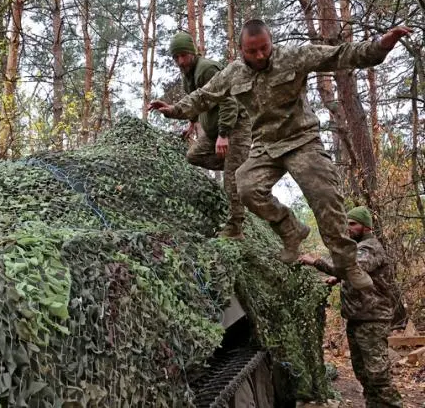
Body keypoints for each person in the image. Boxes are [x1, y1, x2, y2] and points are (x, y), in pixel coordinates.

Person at [148, 18, 412, 290]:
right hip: (265, 144)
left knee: (325, 197)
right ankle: (291, 230)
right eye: (252, 51)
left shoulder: (294, 56)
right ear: (241, 50)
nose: (260, 55)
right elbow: (204, 96)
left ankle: (347, 264)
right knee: (245, 186)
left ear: (271, 42)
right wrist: (174, 110)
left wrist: (381, 46)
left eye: (265, 48)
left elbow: (340, 55)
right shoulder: (233, 73)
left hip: (301, 140)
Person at [299, 206, 402, 407]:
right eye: (346, 223)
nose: (348, 228)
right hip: (357, 319)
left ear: (366, 227)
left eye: (353, 224)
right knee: (363, 373)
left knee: (378, 375)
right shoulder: (358, 248)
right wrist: (336, 278)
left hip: (372, 320)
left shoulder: (371, 247)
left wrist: (316, 262)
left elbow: (353, 268)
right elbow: (356, 274)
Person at [168, 31, 252, 240]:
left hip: (234, 127)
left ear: (193, 52)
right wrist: (192, 122)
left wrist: (224, 135)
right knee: (193, 156)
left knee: (231, 180)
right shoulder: (187, 73)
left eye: (184, 55)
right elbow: (197, 99)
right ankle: (239, 165)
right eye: (176, 57)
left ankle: (235, 229)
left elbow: (228, 100)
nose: (180, 61)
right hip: (212, 130)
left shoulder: (207, 69)